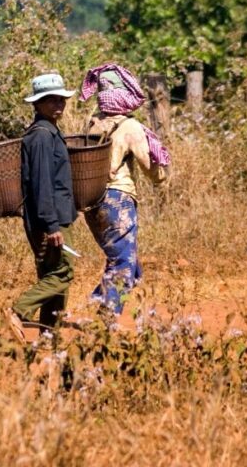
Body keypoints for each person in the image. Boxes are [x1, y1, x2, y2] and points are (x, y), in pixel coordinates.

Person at [78, 64, 170, 315]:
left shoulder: (93, 122)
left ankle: (103, 307)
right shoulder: (130, 127)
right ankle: (103, 315)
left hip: (91, 202)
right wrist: (163, 176)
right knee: (124, 266)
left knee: (124, 260)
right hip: (118, 200)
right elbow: (151, 169)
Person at [4, 73, 78, 344]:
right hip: (51, 221)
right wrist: (51, 226)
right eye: (50, 100)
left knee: (53, 278)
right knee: (62, 274)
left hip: (57, 218)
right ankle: (18, 310)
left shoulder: (48, 132)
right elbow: (41, 184)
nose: (58, 104)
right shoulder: (41, 137)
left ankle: (49, 339)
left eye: (61, 99)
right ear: (37, 104)